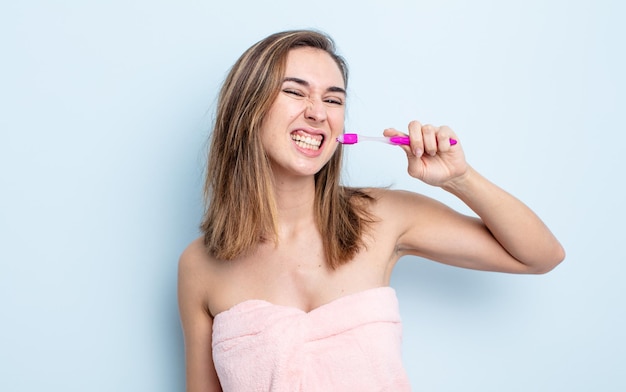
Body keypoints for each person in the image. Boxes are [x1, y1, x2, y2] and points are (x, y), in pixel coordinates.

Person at [177, 29, 565, 391]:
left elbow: (541, 255)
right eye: (296, 92)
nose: (318, 113)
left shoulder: (382, 217)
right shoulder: (199, 266)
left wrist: (458, 178)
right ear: (247, 109)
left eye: (333, 99)